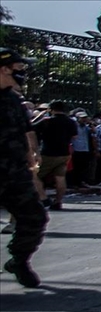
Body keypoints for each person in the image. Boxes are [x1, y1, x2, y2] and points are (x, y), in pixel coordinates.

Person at [0, 48, 47, 288]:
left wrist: (32, 161)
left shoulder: (13, 100)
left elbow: (25, 132)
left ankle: (19, 260)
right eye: (19, 68)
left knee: (35, 217)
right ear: (4, 69)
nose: (23, 74)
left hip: (14, 172)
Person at [32, 100, 78, 209]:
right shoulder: (71, 122)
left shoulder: (46, 121)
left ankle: (43, 198)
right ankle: (58, 201)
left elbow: (30, 128)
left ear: (51, 109)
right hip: (64, 153)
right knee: (60, 178)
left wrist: (39, 115)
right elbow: (75, 137)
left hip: (48, 153)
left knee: (34, 176)